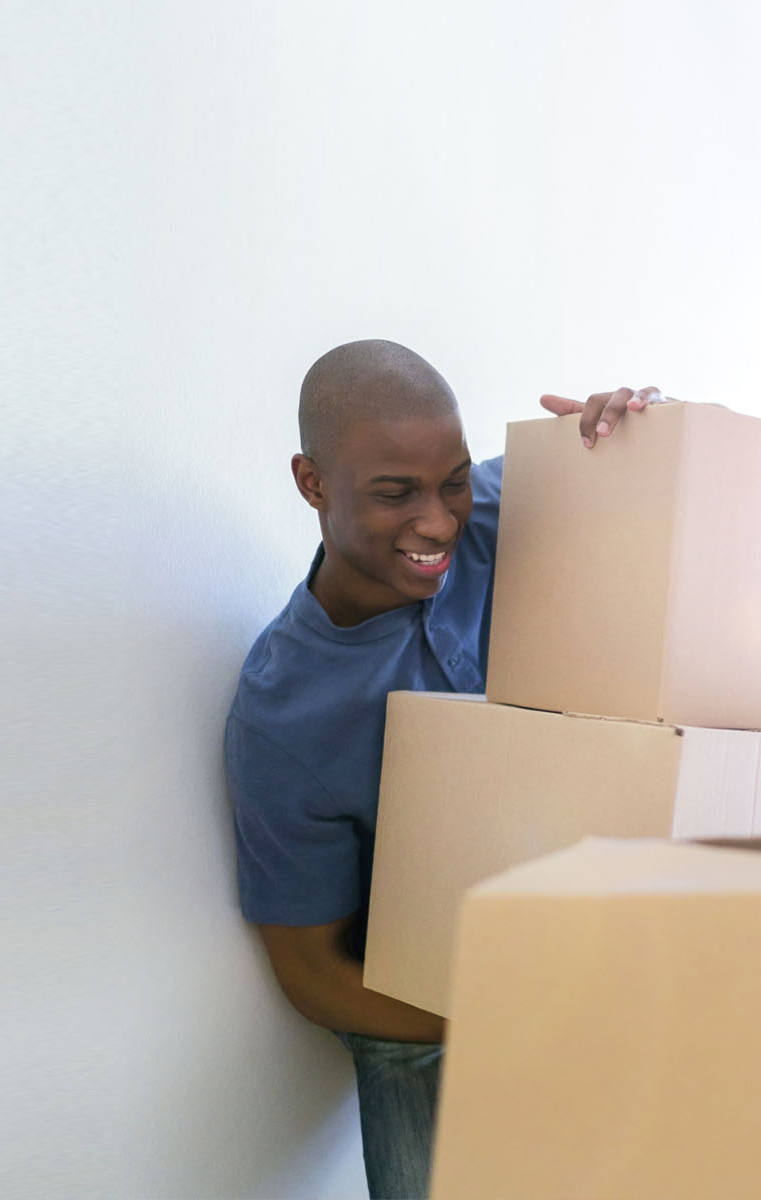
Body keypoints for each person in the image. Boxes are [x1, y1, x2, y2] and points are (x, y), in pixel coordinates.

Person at [224, 337, 661, 1199]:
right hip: (424, 1025)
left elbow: (666, 480)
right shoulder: (283, 717)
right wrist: (503, 1017)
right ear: (312, 485)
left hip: (596, 960)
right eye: (396, 494)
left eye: (452, 481)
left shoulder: (498, 506)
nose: (440, 521)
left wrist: (640, 432)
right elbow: (310, 971)